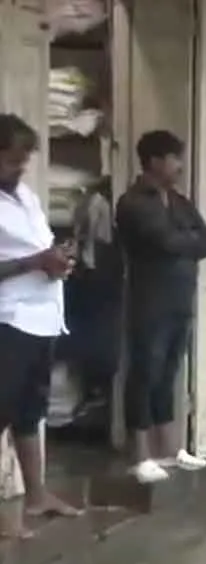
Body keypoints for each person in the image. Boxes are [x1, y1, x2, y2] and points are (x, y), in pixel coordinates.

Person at [115, 130, 206, 483]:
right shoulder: (133, 202)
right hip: (149, 299)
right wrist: (186, 241)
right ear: (155, 161)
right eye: (175, 159)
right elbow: (164, 241)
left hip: (180, 298)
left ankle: (169, 450)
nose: (180, 166)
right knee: (144, 372)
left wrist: (182, 241)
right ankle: (139, 455)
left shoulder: (178, 201)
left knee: (169, 373)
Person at [0, 113, 83, 539]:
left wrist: (58, 257)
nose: (20, 168)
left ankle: (37, 495)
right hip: (8, 319)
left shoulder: (26, 197)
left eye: (24, 160)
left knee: (30, 413)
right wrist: (36, 262)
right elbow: (24, 259)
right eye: (13, 160)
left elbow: (39, 246)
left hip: (43, 318)